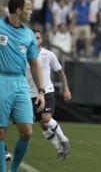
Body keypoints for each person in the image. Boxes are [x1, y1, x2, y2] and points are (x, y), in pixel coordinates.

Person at [0, 0, 45, 172]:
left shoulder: (28, 34)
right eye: (28, 8)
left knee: (27, 131)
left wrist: (41, 91)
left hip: (20, 83)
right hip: (1, 80)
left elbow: (34, 64)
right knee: (1, 132)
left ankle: (13, 170)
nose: (31, 11)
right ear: (18, 10)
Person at [26, 29, 71, 160]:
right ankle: (59, 150)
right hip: (31, 94)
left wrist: (66, 89)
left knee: (46, 118)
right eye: (33, 38)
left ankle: (64, 140)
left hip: (47, 91)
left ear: (41, 40)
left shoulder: (49, 54)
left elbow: (60, 73)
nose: (35, 40)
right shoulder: (24, 55)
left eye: (38, 37)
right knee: (43, 124)